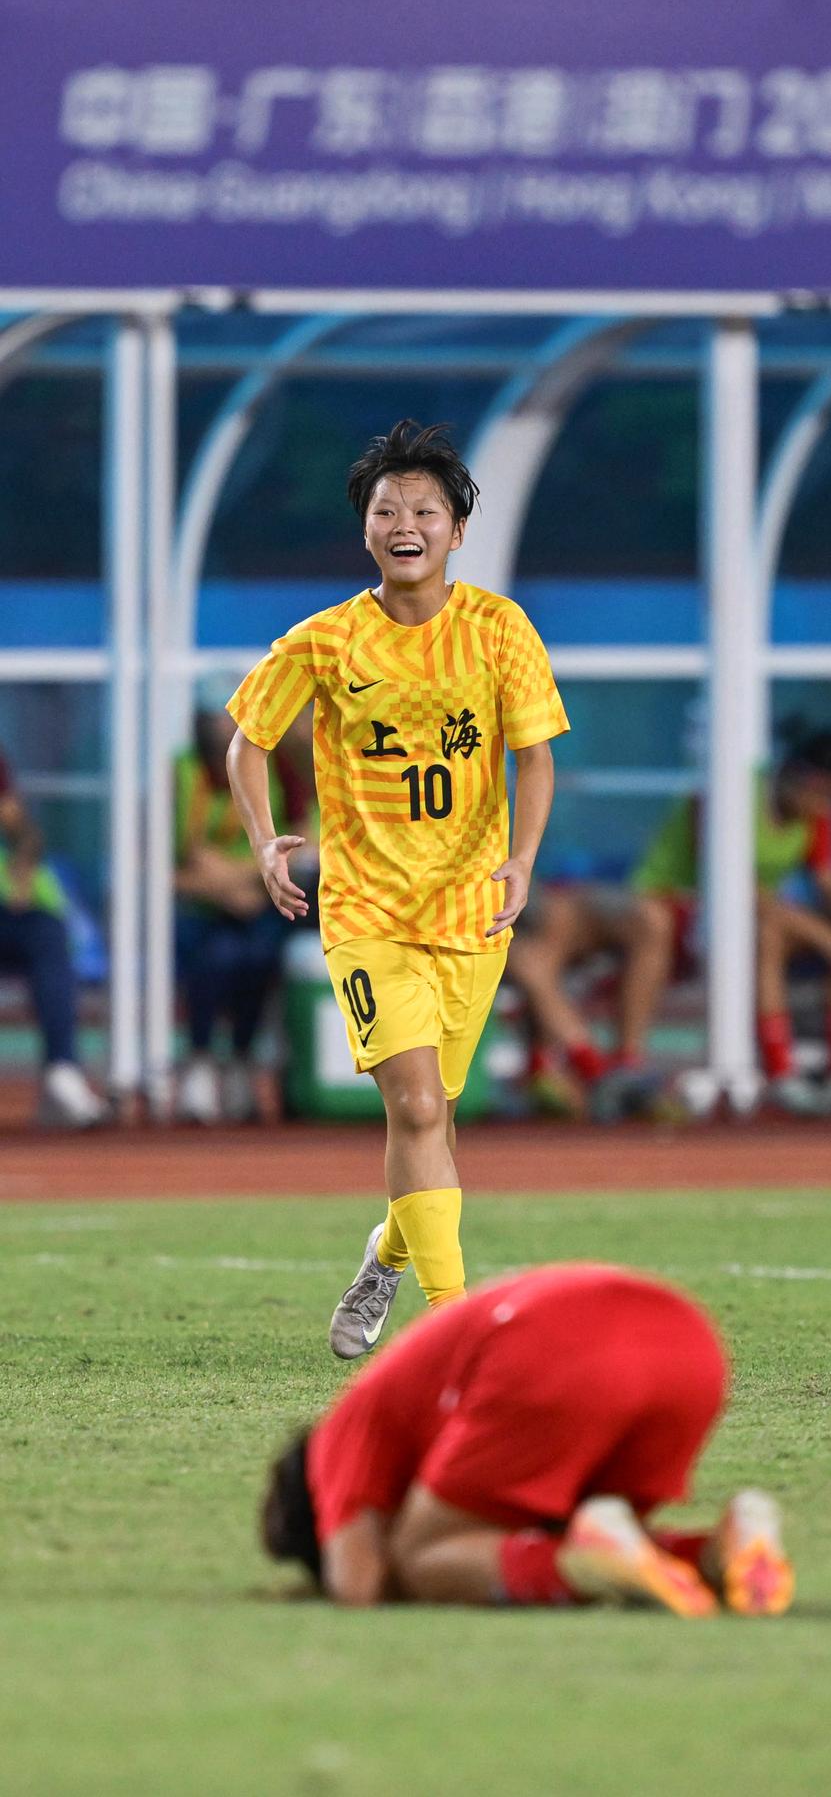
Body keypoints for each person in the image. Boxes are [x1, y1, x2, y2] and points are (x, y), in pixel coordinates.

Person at [226, 420, 569, 1357]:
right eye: (387, 510)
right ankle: (460, 1332)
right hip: (367, 912)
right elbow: (248, 740)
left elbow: (535, 757)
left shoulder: (499, 629)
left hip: (472, 913)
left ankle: (385, 1256)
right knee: (415, 1109)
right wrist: (263, 839)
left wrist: (522, 859)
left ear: (458, 530)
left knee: (436, 1122)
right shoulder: (325, 641)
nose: (405, 524)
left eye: (424, 510)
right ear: (366, 529)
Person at [260, 1261, 794, 1617]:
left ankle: (579, 1571)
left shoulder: (337, 1436)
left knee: (422, 1557)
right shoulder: (412, 1413)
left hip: (556, 1346)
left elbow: (358, 1583)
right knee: (588, 1541)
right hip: (690, 1344)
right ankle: (719, 1551)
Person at [508, 727, 831, 1118]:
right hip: (688, 912)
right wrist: (826, 939)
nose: (822, 806)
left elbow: (822, 884)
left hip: (736, 921)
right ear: (793, 774)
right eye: (818, 791)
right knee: (763, 931)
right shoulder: (728, 795)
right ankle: (772, 1071)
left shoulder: (815, 815)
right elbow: (732, 889)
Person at [173, 699, 293, 1124]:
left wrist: (245, 878)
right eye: (216, 719)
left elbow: (284, 847)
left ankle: (242, 1058)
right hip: (199, 907)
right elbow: (184, 861)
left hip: (256, 899)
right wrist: (231, 886)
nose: (225, 729)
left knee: (260, 956)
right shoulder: (185, 773)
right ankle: (200, 1060)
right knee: (213, 958)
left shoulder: (268, 767)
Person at [0, 744, 108, 1127]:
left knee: (47, 935)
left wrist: (22, 867)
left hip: (12, 913)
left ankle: (62, 1073)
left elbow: (24, 831)